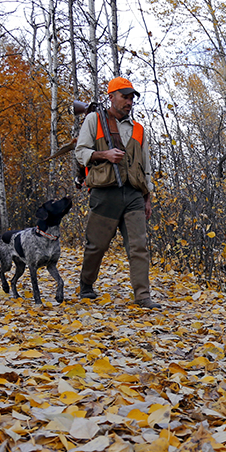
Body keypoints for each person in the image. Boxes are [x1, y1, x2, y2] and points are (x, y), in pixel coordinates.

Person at [74, 76, 160, 308]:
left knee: (139, 247)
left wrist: (147, 198)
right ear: (111, 96)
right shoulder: (94, 120)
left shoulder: (139, 130)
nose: (129, 101)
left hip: (133, 195)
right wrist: (105, 155)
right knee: (96, 245)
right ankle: (86, 286)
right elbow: (80, 152)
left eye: (132, 98)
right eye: (124, 96)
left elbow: (146, 167)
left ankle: (143, 296)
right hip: (105, 193)